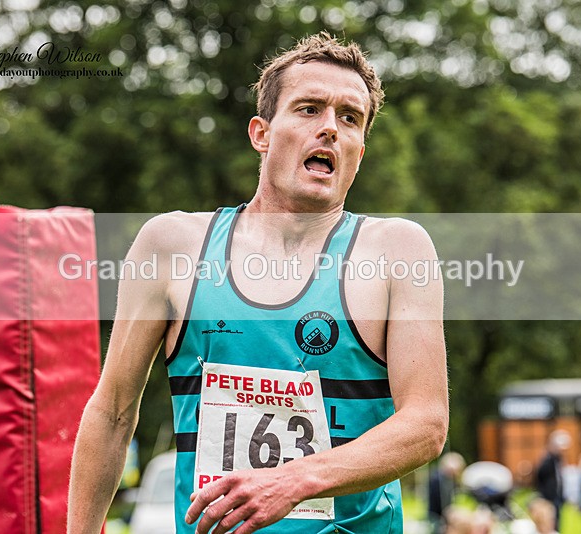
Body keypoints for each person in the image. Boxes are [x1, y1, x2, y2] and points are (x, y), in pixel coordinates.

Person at [67, 32, 449, 534]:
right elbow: (113, 412)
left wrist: (293, 480)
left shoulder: (398, 249)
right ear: (261, 133)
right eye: (310, 109)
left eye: (349, 118)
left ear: (360, 149)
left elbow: (426, 425)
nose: (330, 129)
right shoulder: (171, 244)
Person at [535, 429, 571, 528]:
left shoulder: (558, 459)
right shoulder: (548, 459)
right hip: (549, 497)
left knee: (557, 521)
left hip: (557, 496)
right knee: (549, 522)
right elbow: (539, 476)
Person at [428, 452, 466, 531]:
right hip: (437, 515)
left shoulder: (448, 479)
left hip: (443, 513)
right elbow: (440, 500)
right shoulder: (437, 480)